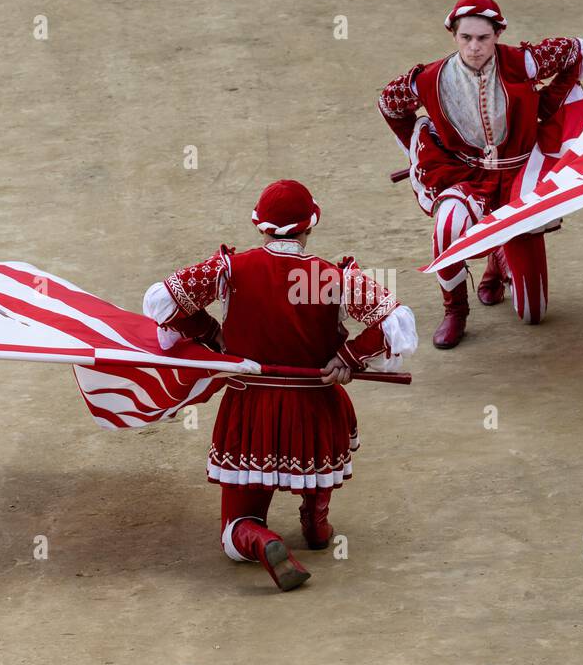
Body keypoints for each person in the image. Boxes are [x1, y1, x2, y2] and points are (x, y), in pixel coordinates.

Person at [142, 180, 418, 591]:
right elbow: (397, 325)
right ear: (310, 226)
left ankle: (262, 538)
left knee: (236, 527)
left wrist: (212, 333)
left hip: (250, 410)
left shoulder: (230, 270)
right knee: (323, 440)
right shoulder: (327, 278)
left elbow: (162, 303)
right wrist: (349, 357)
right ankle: (316, 522)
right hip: (314, 408)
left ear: (261, 226)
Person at [378, 0, 583, 348]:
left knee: (533, 314)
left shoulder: (524, 62)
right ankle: (455, 311)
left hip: (522, 172)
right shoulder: (430, 78)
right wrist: (418, 148)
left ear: (498, 34)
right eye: (466, 38)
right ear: (454, 36)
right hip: (467, 176)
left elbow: (576, 52)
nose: (474, 47)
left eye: (483, 38)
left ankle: (497, 258)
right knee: (448, 226)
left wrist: (548, 105)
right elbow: (389, 103)